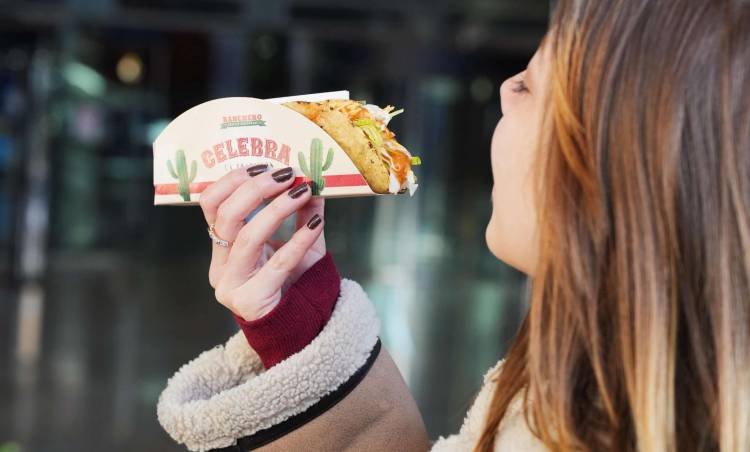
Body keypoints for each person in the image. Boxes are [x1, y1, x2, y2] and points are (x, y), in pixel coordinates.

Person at [156, 0, 750, 450]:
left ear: (626, 162)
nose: (505, 92)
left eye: (530, 85)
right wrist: (297, 327)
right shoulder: (590, 398)